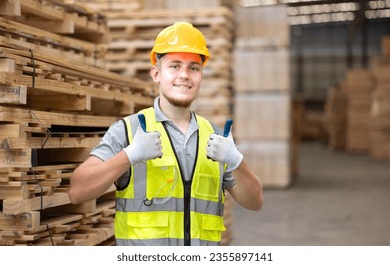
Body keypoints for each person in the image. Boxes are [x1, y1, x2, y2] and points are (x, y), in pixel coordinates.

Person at [68, 21, 263, 246]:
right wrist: (129, 156)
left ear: (201, 75)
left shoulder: (216, 137)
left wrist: (237, 162)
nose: (185, 75)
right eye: (175, 66)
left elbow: (254, 202)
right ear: (156, 73)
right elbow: (77, 192)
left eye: (194, 68)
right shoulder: (129, 131)